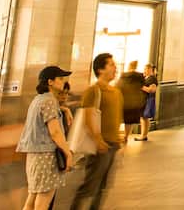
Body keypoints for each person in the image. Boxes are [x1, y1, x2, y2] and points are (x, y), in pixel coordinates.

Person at [17, 65, 73, 210]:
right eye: (60, 78)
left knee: (32, 198)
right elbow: (55, 132)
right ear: (50, 82)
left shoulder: (38, 99)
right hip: (46, 157)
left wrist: (64, 109)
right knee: (43, 202)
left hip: (35, 157)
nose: (63, 81)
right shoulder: (49, 101)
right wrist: (68, 153)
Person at [73, 53, 123, 210]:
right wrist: (98, 139)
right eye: (111, 65)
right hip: (100, 145)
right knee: (90, 186)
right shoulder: (93, 91)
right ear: (100, 69)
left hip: (112, 144)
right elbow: (88, 117)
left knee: (102, 186)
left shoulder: (116, 92)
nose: (115, 67)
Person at [118, 61, 144, 141]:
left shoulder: (123, 75)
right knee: (129, 121)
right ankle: (126, 136)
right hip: (134, 102)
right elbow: (142, 85)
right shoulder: (139, 75)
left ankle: (115, 135)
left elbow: (119, 85)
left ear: (129, 65)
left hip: (123, 100)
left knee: (118, 118)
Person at [139, 63, 158, 139]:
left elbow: (152, 90)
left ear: (150, 69)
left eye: (145, 69)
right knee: (144, 118)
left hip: (148, 100)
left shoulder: (152, 78)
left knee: (144, 118)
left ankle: (143, 135)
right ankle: (144, 135)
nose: (144, 71)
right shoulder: (147, 77)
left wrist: (141, 87)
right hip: (145, 99)